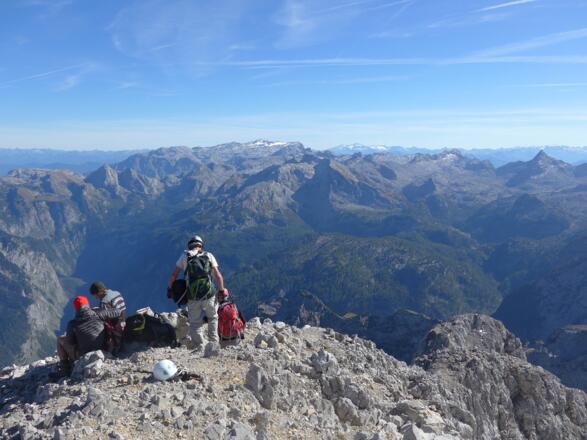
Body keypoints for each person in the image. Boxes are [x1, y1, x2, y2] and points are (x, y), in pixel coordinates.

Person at [168, 235, 226, 349]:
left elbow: (174, 275)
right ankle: (214, 344)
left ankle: (199, 347)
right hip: (209, 294)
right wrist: (221, 290)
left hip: (192, 296)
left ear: (190, 246)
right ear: (201, 246)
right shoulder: (208, 255)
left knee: (195, 323)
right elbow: (218, 276)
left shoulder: (185, 256)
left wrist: (170, 289)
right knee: (213, 317)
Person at [51, 295, 122, 379]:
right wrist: (101, 310)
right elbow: (118, 311)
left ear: (76, 308)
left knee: (60, 340)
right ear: (88, 305)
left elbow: (69, 344)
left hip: (82, 355)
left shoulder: (73, 324)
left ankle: (65, 370)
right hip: (103, 349)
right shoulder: (99, 314)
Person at [89, 281, 127, 354]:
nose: (95, 297)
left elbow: (105, 318)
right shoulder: (117, 293)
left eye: (94, 295)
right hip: (123, 320)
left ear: (99, 292)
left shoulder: (104, 301)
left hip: (116, 326)